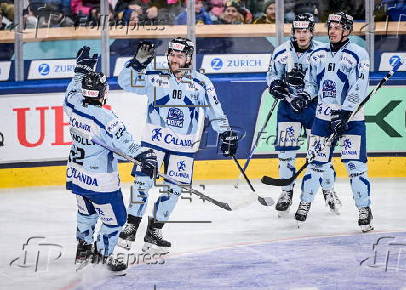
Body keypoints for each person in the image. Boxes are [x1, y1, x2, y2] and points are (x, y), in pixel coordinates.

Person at [117, 37, 238, 252]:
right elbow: (125, 83)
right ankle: (131, 225)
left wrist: (226, 132)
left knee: (174, 190)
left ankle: (155, 231)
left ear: (189, 58)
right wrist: (136, 63)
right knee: (142, 184)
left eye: (179, 56)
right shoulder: (153, 75)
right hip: (153, 142)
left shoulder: (201, 83)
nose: (174, 59)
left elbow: (215, 111)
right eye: (172, 54)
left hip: (184, 147)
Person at [64, 46, 158, 274]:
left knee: (86, 212)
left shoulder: (72, 104)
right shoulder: (107, 119)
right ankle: (102, 253)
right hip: (100, 181)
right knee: (116, 220)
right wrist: (144, 155)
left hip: (76, 174)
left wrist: (80, 72)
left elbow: (73, 89)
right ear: (103, 92)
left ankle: (83, 247)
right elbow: (126, 143)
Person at [292, 12, 373, 232]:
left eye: (338, 28)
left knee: (355, 167)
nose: (333, 31)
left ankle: (364, 208)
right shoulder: (318, 53)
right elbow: (311, 83)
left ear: (347, 30)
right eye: (330, 27)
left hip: (351, 121)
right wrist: (304, 96)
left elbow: (360, 85)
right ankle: (305, 202)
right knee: (316, 163)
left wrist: (346, 112)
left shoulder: (359, 54)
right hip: (323, 119)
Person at [267, 13, 340, 218]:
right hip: (288, 109)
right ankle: (286, 192)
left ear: (311, 32)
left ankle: (328, 189)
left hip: (315, 110)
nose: (301, 35)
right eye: (298, 31)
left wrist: (309, 94)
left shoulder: (323, 52)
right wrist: (275, 86)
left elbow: (327, 81)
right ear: (293, 32)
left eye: (305, 31)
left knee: (320, 155)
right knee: (285, 155)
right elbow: (271, 75)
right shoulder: (281, 52)